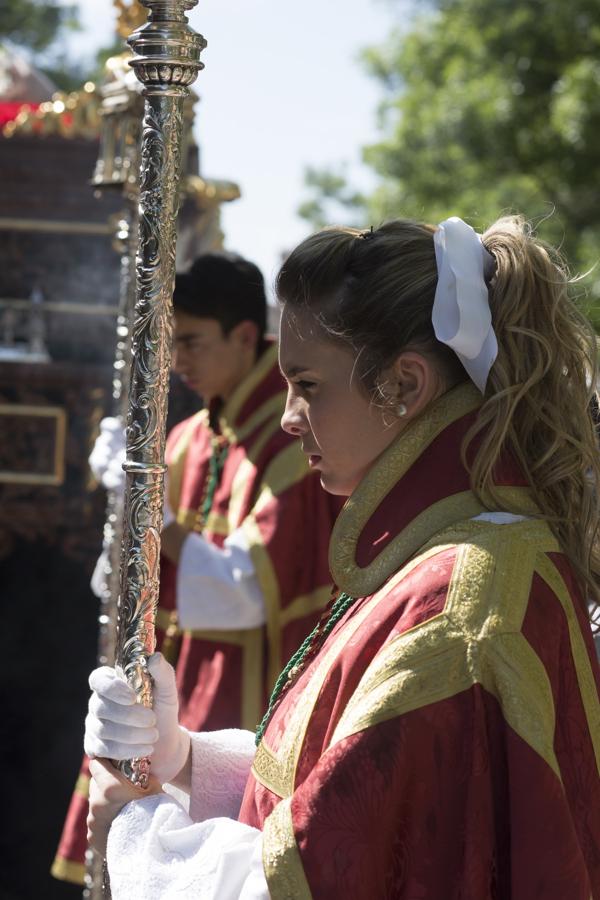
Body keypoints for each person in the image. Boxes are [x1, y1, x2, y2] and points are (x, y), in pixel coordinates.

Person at [84, 216, 600, 898]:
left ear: (406, 385)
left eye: (309, 384)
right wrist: (184, 759)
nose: (291, 414)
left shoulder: (456, 610)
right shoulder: (446, 558)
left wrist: (139, 833)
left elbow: (307, 881)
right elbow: (361, 803)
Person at [52, 252, 339, 886]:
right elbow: (117, 583)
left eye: (191, 341)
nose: (178, 359)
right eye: (170, 342)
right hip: (184, 676)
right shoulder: (186, 436)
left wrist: (156, 515)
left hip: (249, 679)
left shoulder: (298, 444)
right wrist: (124, 514)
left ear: (244, 334)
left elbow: (246, 593)